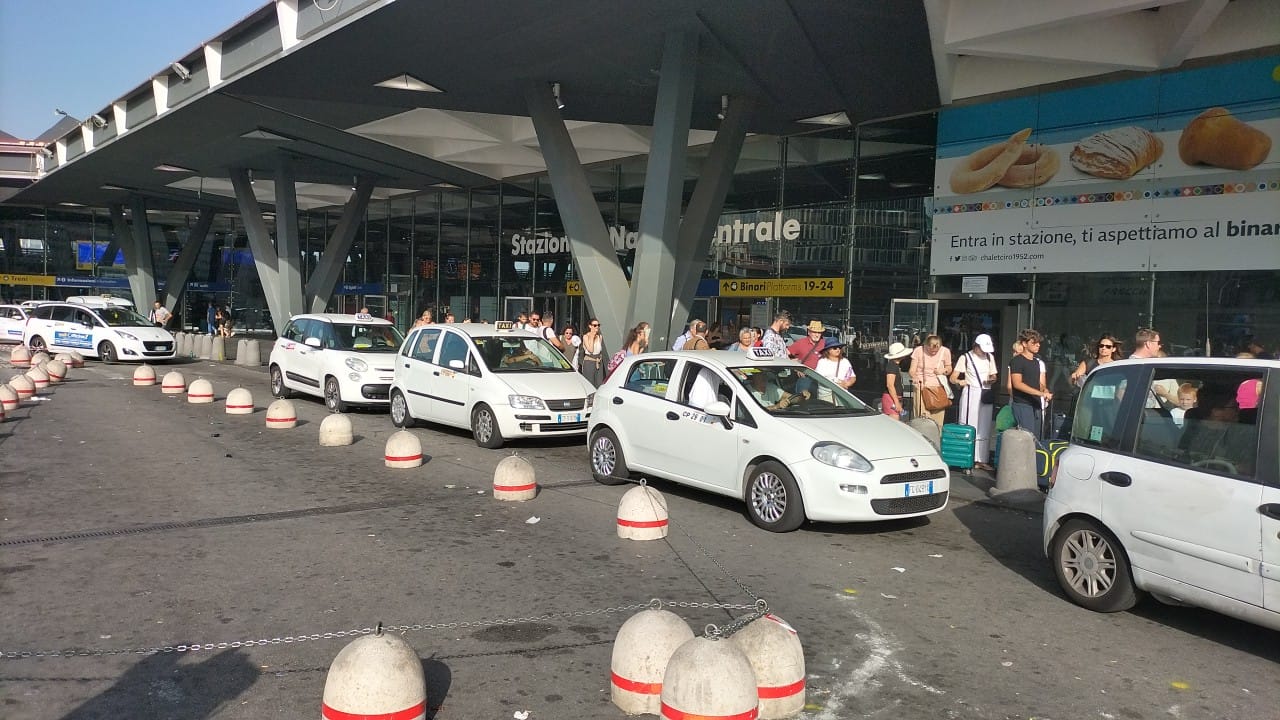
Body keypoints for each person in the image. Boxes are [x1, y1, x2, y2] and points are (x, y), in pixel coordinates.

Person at [950, 333, 999, 470]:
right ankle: (966, 457)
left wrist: (991, 380)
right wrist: (960, 381)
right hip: (971, 391)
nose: (984, 352)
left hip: (985, 392)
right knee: (968, 423)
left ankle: (981, 459)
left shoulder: (990, 357)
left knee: (984, 426)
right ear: (976, 346)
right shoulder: (965, 357)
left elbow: (994, 375)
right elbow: (953, 377)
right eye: (982, 349)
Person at [1010, 329, 1051, 439]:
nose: (1038, 345)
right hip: (1023, 404)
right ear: (1024, 343)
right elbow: (1017, 383)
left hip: (1036, 404)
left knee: (1036, 438)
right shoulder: (1017, 361)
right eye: (1034, 343)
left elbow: (1036, 381)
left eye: (1039, 343)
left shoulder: (1036, 362)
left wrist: (1044, 390)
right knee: (1026, 438)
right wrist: (1040, 393)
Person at [910, 334, 954, 429]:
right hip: (921, 387)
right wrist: (914, 377)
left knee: (938, 419)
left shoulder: (945, 351)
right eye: (931, 350)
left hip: (938, 387)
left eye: (936, 350)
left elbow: (949, 368)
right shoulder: (918, 351)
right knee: (922, 418)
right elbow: (912, 370)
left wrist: (943, 371)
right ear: (926, 345)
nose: (934, 352)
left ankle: (936, 439)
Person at [882, 341, 912, 421]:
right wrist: (896, 402)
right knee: (894, 422)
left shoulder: (894, 365)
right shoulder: (892, 366)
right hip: (891, 398)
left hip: (894, 397)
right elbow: (890, 385)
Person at [579, 318, 606, 386]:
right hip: (589, 362)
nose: (597, 327)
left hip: (598, 362)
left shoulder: (599, 337)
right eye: (595, 325)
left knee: (599, 383)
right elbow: (590, 350)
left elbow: (599, 351)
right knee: (589, 383)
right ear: (590, 326)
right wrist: (591, 336)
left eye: (598, 325)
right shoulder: (586, 336)